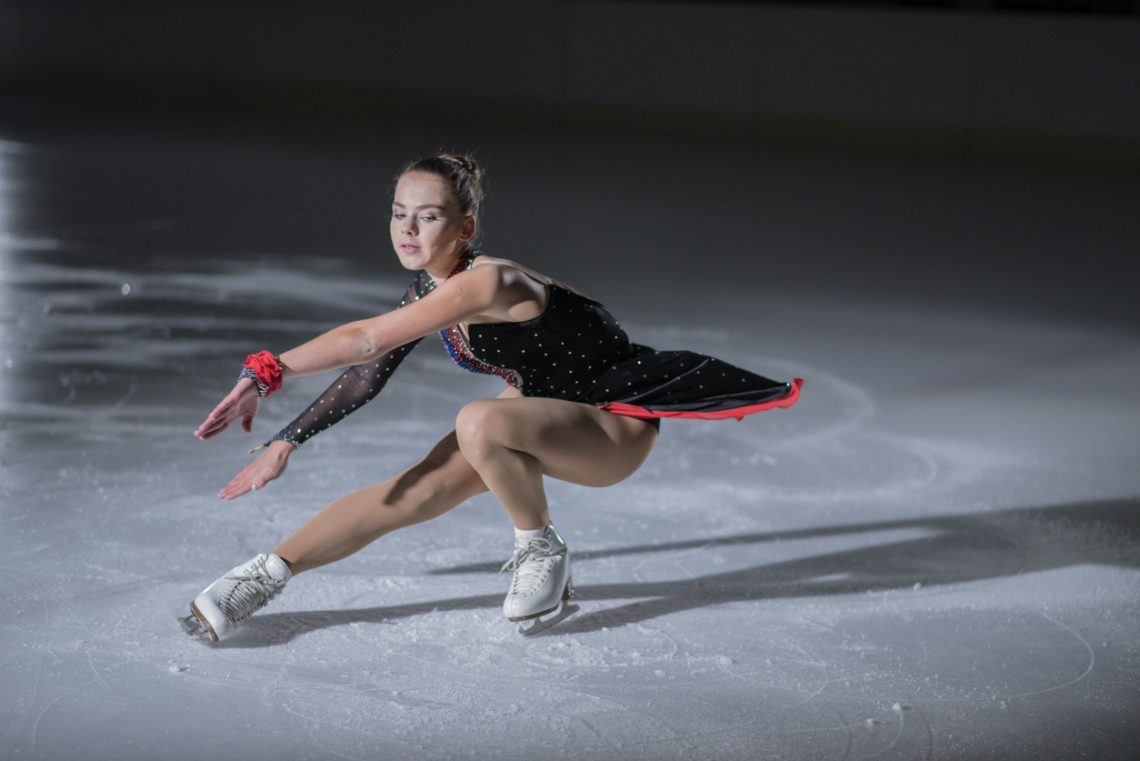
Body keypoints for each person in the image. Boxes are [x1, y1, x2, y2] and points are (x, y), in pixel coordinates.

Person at [184, 154, 802, 641]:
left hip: (612, 427)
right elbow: (367, 375)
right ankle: (262, 578)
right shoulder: (429, 294)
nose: (407, 228)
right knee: (412, 491)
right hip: (533, 418)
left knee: (480, 419)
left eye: (427, 216)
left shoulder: (490, 280)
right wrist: (286, 440)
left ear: (466, 227)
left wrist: (265, 370)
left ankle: (541, 547)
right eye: (399, 212)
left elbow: (365, 341)